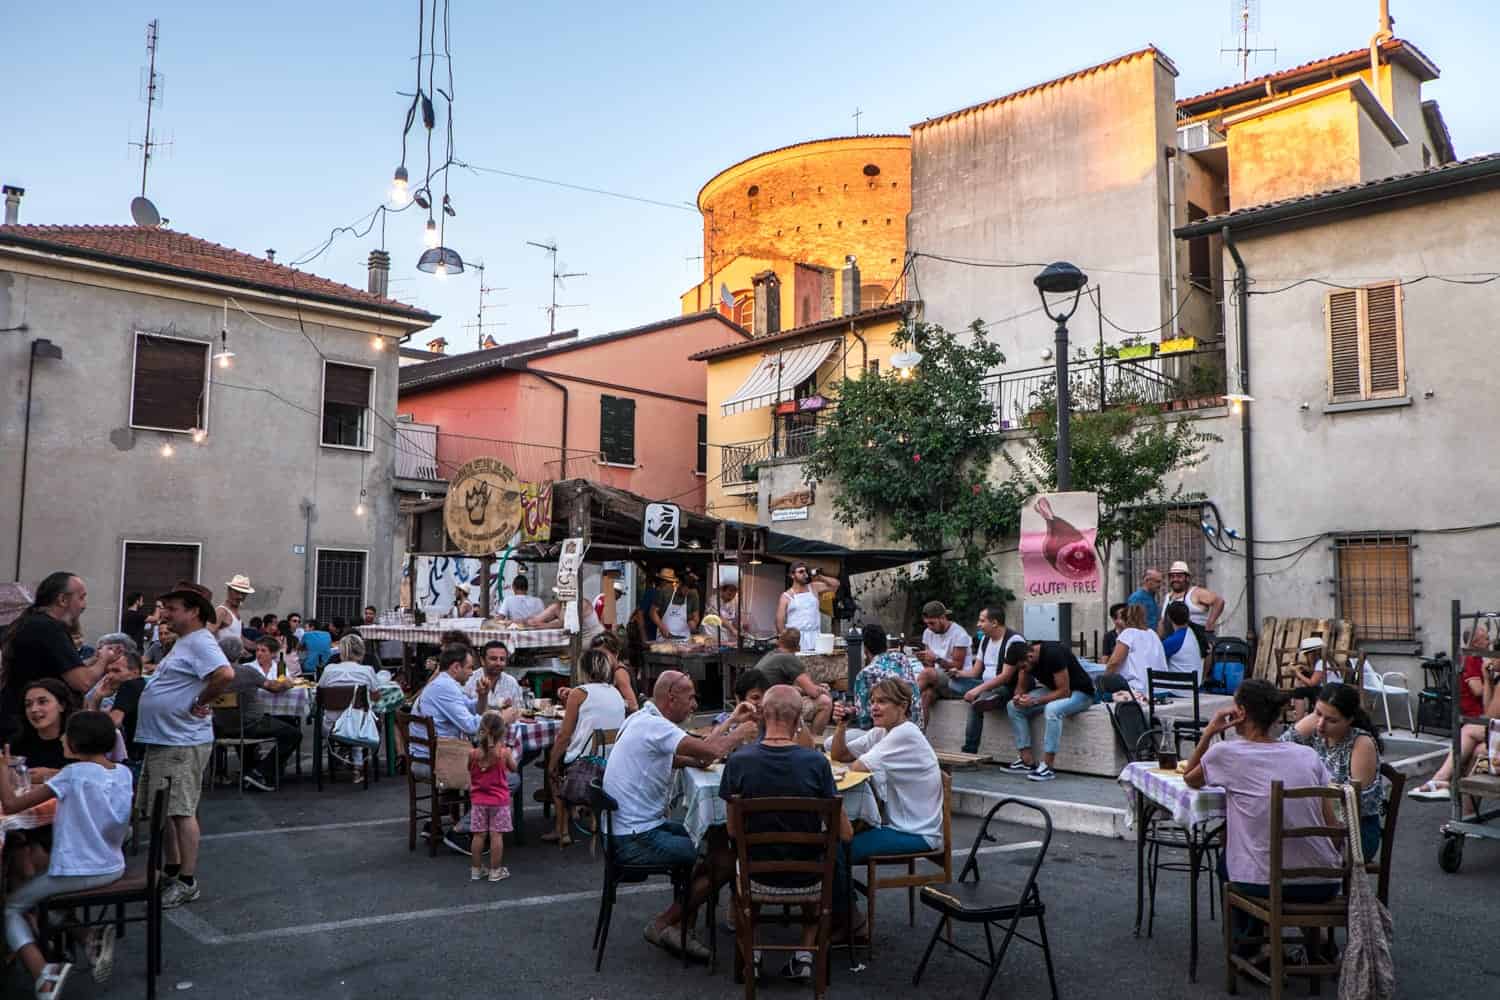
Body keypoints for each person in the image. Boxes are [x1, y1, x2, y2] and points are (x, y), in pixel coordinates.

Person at [1184, 680, 1343, 957]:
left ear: (1241, 713)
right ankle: (1308, 944)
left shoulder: (1227, 753)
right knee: (1250, 853)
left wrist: (1211, 730)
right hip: (1323, 881)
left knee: (1227, 863)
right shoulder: (1307, 755)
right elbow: (1332, 826)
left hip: (1265, 883)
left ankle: (1248, 948)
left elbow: (1190, 778)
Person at [602, 671, 749, 961]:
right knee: (723, 861)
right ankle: (664, 924)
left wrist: (732, 721)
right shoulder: (658, 728)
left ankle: (682, 924)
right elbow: (709, 752)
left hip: (625, 830)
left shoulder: (641, 719)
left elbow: (701, 755)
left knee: (709, 838)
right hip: (633, 839)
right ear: (671, 697)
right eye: (691, 697)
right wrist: (741, 734)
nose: (694, 704)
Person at [720, 684, 858, 981]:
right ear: (798, 721)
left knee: (733, 862)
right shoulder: (816, 764)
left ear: (763, 715)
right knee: (828, 859)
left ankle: (753, 952)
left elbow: (732, 829)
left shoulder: (738, 762)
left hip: (756, 873)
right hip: (808, 876)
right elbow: (844, 834)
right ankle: (804, 953)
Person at [0, 710, 134, 995]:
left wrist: (3, 766)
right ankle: (89, 938)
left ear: (75, 742)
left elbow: (11, 805)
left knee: (11, 906)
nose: (62, 738)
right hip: (113, 864)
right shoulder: (123, 772)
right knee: (42, 893)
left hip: (81, 870)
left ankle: (44, 974)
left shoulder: (71, 775)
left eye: (66, 735)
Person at [133, 581, 235, 909]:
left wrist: (199, 702)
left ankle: (187, 880)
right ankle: (174, 870)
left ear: (193, 612)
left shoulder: (200, 642)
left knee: (180, 810)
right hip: (167, 737)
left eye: (172, 609)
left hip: (181, 739)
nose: (165, 614)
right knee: (166, 812)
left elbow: (224, 674)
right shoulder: (185, 642)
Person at [830, 677, 944, 863]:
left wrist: (846, 768)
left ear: (902, 706)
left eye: (882, 701)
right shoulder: (882, 731)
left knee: (836, 851)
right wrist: (842, 725)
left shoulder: (906, 733)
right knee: (835, 841)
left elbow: (858, 767)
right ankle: (838, 891)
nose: (874, 707)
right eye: (872, 701)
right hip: (897, 826)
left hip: (916, 833)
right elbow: (839, 755)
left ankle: (842, 893)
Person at [0, 572, 109, 742]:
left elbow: (55, 669)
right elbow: (82, 682)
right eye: (81, 598)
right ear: (63, 600)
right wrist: (105, 658)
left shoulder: (31, 623)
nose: (84, 605)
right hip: (31, 729)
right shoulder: (50, 628)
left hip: (22, 721)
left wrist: (92, 661)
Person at [1281, 683, 1385, 854]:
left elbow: (1356, 802)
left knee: (1290, 850)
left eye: (1332, 720)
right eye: (1318, 714)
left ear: (1349, 720)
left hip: (1356, 830)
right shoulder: (1317, 730)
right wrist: (1315, 717)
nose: (1321, 724)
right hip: (1318, 821)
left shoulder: (1361, 743)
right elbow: (1278, 750)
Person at [410, 644, 490, 854]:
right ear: (456, 667)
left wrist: (482, 696)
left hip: (429, 756)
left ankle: (434, 822)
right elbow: (472, 727)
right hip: (437, 761)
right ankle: (461, 831)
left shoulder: (444, 684)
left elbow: (471, 708)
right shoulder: (444, 687)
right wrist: (499, 718)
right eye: (469, 667)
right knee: (500, 777)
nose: (472, 672)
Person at [546, 649, 627, 845]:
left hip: (587, 764)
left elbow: (564, 736)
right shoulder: (615, 692)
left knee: (553, 768)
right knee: (560, 757)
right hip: (611, 762)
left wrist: (551, 763)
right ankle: (586, 818)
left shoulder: (579, 693)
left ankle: (562, 830)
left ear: (584, 670)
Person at [1410, 640, 1499, 800]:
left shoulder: (1474, 661)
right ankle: (1465, 816)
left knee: (1469, 731)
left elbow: (1489, 716)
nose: (1490, 659)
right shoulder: (1473, 661)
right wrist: (1488, 680)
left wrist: (1487, 682)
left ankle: (1440, 779)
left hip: (1484, 726)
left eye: (1493, 655)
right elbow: (1488, 711)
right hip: (1487, 730)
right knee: (1477, 753)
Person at [1005, 640, 1096, 781]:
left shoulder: (1053, 653)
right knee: (1012, 706)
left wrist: (1034, 701)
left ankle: (1048, 766)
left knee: (1052, 709)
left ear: (1029, 656)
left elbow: (1064, 692)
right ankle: (1026, 761)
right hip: (1055, 690)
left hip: (1080, 693)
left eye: (1023, 667)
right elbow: (1020, 688)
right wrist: (1018, 698)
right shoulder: (1025, 663)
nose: (1022, 670)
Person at [221, 635, 303, 792]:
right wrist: (286, 683)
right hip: (250, 723)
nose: (258, 653)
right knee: (293, 734)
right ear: (240, 654)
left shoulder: (213, 673)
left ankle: (251, 769)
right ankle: (261, 771)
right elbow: (274, 687)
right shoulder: (247, 671)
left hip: (222, 727)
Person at [961, 608, 1026, 754]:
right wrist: (958, 673)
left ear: (995, 623)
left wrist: (977, 690)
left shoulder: (1014, 640)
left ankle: (969, 751)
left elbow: (1005, 677)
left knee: (976, 705)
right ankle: (987, 697)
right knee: (954, 683)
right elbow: (975, 671)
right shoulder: (985, 639)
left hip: (1007, 686)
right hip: (984, 684)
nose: (978, 624)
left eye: (982, 621)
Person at [319, 634, 381, 773]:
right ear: (361, 651)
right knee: (363, 715)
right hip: (359, 729)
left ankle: (346, 758)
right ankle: (359, 763)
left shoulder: (329, 670)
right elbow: (376, 697)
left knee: (353, 715)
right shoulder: (367, 671)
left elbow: (320, 693)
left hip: (331, 726)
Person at [753, 629, 833, 735]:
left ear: (779, 642)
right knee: (825, 702)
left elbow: (788, 688)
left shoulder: (771, 655)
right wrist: (821, 689)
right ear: (798, 646)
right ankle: (813, 744)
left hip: (759, 704)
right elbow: (813, 693)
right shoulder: (789, 658)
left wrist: (814, 686)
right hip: (773, 707)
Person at [468, 711, 515, 882]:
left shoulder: (472, 754)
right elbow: (514, 768)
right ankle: (495, 871)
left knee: (478, 835)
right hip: (499, 801)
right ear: (502, 733)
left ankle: (476, 869)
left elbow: (469, 769)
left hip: (478, 800)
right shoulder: (504, 753)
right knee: (496, 835)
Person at [851, 625, 925, 731]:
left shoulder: (865, 674)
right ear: (886, 643)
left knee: (832, 742)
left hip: (888, 734)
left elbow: (864, 720)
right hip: (916, 728)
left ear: (865, 649)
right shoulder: (902, 659)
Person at [915, 601, 975, 721]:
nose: (929, 627)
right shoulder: (928, 633)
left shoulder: (959, 634)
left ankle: (904, 699)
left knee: (927, 674)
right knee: (926, 696)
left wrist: (936, 658)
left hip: (958, 680)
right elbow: (929, 666)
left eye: (932, 623)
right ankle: (919, 734)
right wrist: (924, 659)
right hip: (938, 679)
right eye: (927, 624)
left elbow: (957, 666)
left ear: (942, 618)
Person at [84, 650, 147, 761]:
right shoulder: (142, 686)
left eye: (116, 671)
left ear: (135, 672)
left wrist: (96, 699)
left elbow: (113, 723)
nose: (110, 676)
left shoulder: (129, 686)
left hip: (137, 758)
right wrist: (97, 697)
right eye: (108, 671)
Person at [13, 678, 76, 780]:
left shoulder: (78, 741)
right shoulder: (18, 744)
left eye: (42, 702)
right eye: (28, 704)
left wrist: (53, 774)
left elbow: (100, 774)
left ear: (62, 706)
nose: (33, 709)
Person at [1102, 603, 1167, 694]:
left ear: (1125, 620)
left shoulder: (1128, 633)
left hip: (1140, 689)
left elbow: (1114, 663)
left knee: (1100, 681)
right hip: (1161, 690)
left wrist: (1103, 679)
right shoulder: (1152, 633)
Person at [775, 563, 838, 652]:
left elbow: (835, 585)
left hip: (815, 636)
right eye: (801, 571)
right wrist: (784, 641)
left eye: (805, 571)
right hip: (796, 638)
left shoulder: (814, 587)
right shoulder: (786, 596)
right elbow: (779, 620)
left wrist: (820, 576)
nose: (804, 574)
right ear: (792, 575)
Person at [1158, 560, 1223, 641]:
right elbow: (1162, 621)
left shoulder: (1196, 592)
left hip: (1198, 641)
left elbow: (1219, 601)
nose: (1175, 579)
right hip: (1174, 642)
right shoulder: (1168, 597)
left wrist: (1210, 623)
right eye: (1172, 576)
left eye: (1179, 576)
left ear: (1187, 578)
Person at [464, 641, 525, 716]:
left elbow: (519, 711)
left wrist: (510, 709)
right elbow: (464, 714)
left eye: (502, 659)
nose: (498, 663)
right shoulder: (469, 680)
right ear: (482, 661)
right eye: (493, 659)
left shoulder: (511, 682)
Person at [650, 568, 700, 641]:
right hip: (665, 638)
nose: (687, 593)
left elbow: (696, 615)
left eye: (689, 591)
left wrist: (694, 623)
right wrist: (661, 627)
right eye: (685, 590)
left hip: (685, 640)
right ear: (679, 583)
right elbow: (652, 612)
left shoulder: (693, 595)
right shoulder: (665, 592)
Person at [1161, 603, 1204, 676]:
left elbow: (1155, 661)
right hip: (1194, 684)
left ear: (1169, 618)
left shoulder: (1172, 641)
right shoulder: (1193, 633)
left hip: (1178, 685)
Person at [1290, 637, 1327, 717]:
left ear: (1314, 652)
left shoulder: (1321, 663)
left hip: (1326, 692)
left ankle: (1299, 720)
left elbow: (1312, 683)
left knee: (1299, 691)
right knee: (1302, 687)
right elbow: (1317, 674)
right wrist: (1305, 669)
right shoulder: (1326, 661)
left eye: (1307, 654)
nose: (1306, 656)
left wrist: (1297, 673)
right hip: (1327, 689)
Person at [702, 581, 741, 646]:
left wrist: (741, 625)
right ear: (722, 590)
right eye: (729, 594)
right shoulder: (713, 600)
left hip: (725, 638)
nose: (731, 597)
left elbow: (735, 617)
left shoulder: (734, 600)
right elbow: (719, 618)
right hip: (712, 635)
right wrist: (733, 629)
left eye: (734, 593)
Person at [216, 575, 254, 642]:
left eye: (243, 593)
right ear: (229, 590)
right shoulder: (221, 611)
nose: (240, 596)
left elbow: (239, 638)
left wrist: (258, 645)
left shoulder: (236, 614)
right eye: (237, 592)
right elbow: (207, 635)